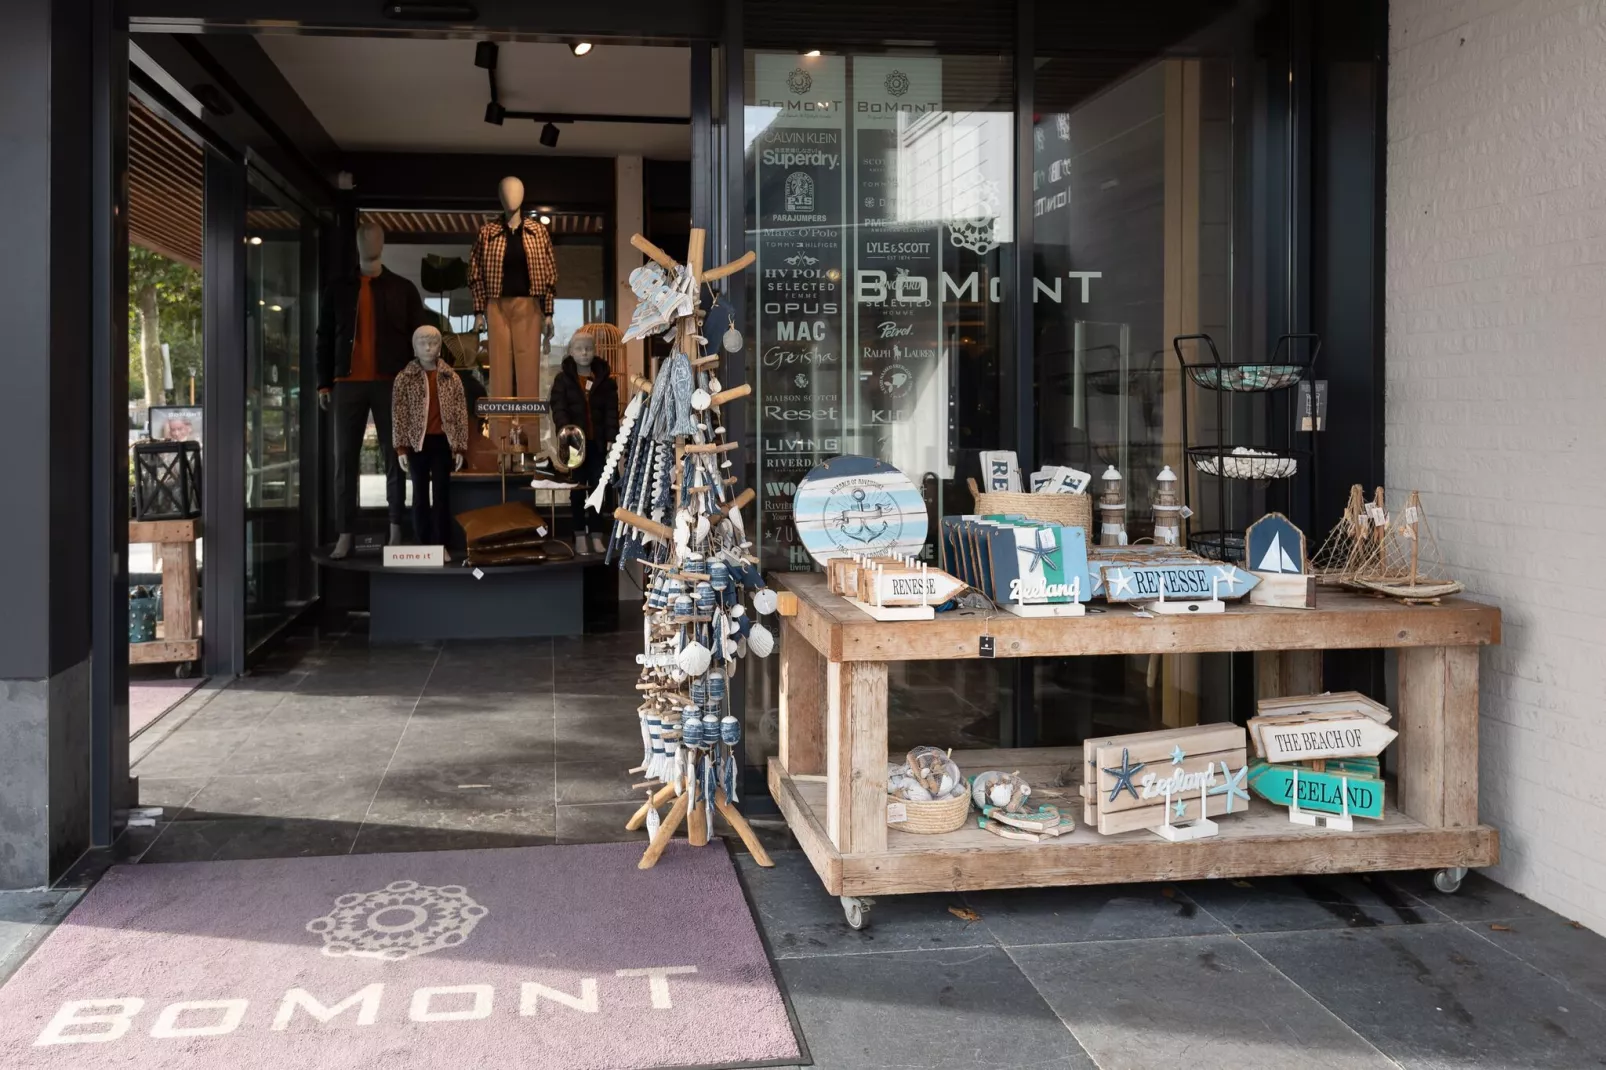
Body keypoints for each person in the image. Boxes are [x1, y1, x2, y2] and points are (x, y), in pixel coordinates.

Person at [547, 332, 619, 554]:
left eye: (588, 348)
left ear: (595, 350)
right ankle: (579, 535)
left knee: (598, 487)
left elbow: (610, 412)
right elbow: (558, 408)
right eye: (579, 349)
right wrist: (567, 432)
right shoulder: (563, 380)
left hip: (597, 444)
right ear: (571, 352)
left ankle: (596, 534)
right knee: (577, 490)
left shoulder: (605, 381)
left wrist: (610, 438)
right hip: (573, 444)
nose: (584, 352)